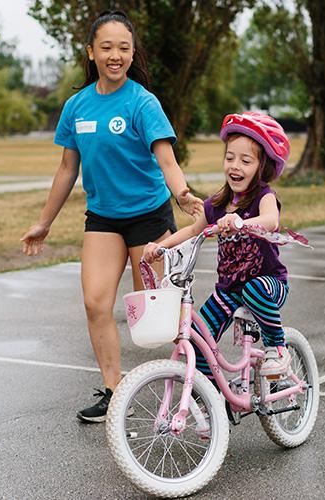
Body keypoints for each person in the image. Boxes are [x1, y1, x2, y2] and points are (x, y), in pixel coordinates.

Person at [20, 10, 203, 423]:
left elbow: (167, 160)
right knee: (95, 302)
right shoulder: (77, 106)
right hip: (102, 218)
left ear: (132, 52)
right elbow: (68, 169)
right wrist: (44, 221)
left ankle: (196, 384)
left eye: (123, 47)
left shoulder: (143, 102)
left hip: (149, 219)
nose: (115, 55)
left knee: (159, 315)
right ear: (91, 52)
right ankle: (114, 391)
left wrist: (184, 195)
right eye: (106, 47)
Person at [143, 111, 292, 378]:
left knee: (254, 288)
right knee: (198, 341)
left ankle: (278, 349)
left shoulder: (264, 197)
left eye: (246, 161)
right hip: (228, 290)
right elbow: (192, 229)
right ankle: (212, 398)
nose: (235, 166)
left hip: (270, 284)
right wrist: (161, 245)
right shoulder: (216, 205)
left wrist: (241, 222)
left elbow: (271, 220)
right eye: (230, 158)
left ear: (263, 167)